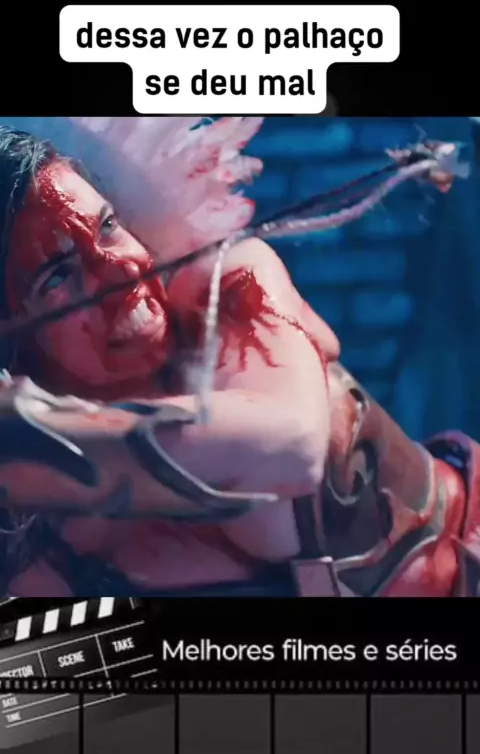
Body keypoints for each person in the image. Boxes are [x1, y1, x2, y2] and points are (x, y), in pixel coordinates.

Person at [0, 117, 478, 598]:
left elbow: (291, 445)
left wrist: (31, 431)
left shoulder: (221, 283)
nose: (123, 270)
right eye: (57, 276)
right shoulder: (40, 535)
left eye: (108, 226)